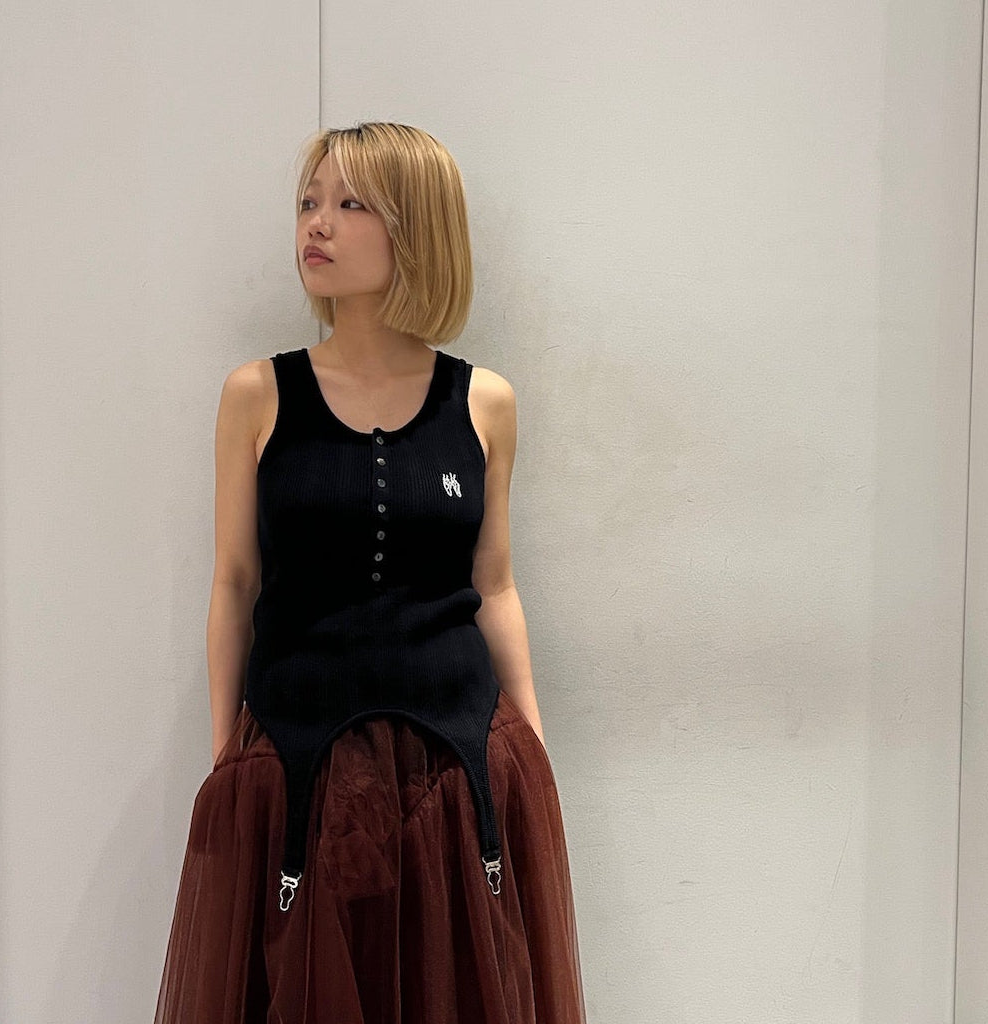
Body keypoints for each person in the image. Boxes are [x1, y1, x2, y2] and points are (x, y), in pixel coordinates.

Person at [153, 121, 588, 1023]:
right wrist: (227, 752)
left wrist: (533, 755)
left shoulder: (485, 402)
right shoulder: (256, 395)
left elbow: (494, 584)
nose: (316, 224)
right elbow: (235, 583)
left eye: (351, 204)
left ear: (416, 228)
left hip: (453, 770)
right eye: (308, 202)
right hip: (296, 762)